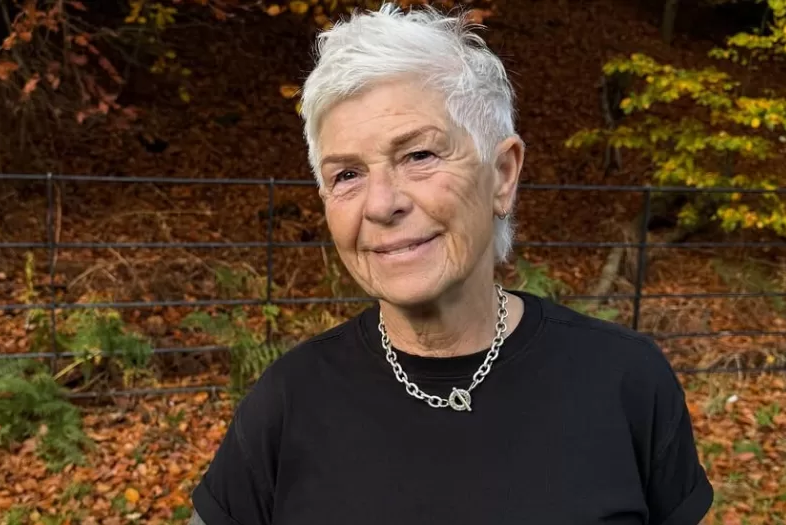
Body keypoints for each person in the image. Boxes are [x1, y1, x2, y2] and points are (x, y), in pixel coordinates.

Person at [189, 4, 713, 524]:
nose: (380, 203)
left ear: (503, 175)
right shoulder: (287, 403)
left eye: (419, 156)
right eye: (347, 174)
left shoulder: (626, 382)